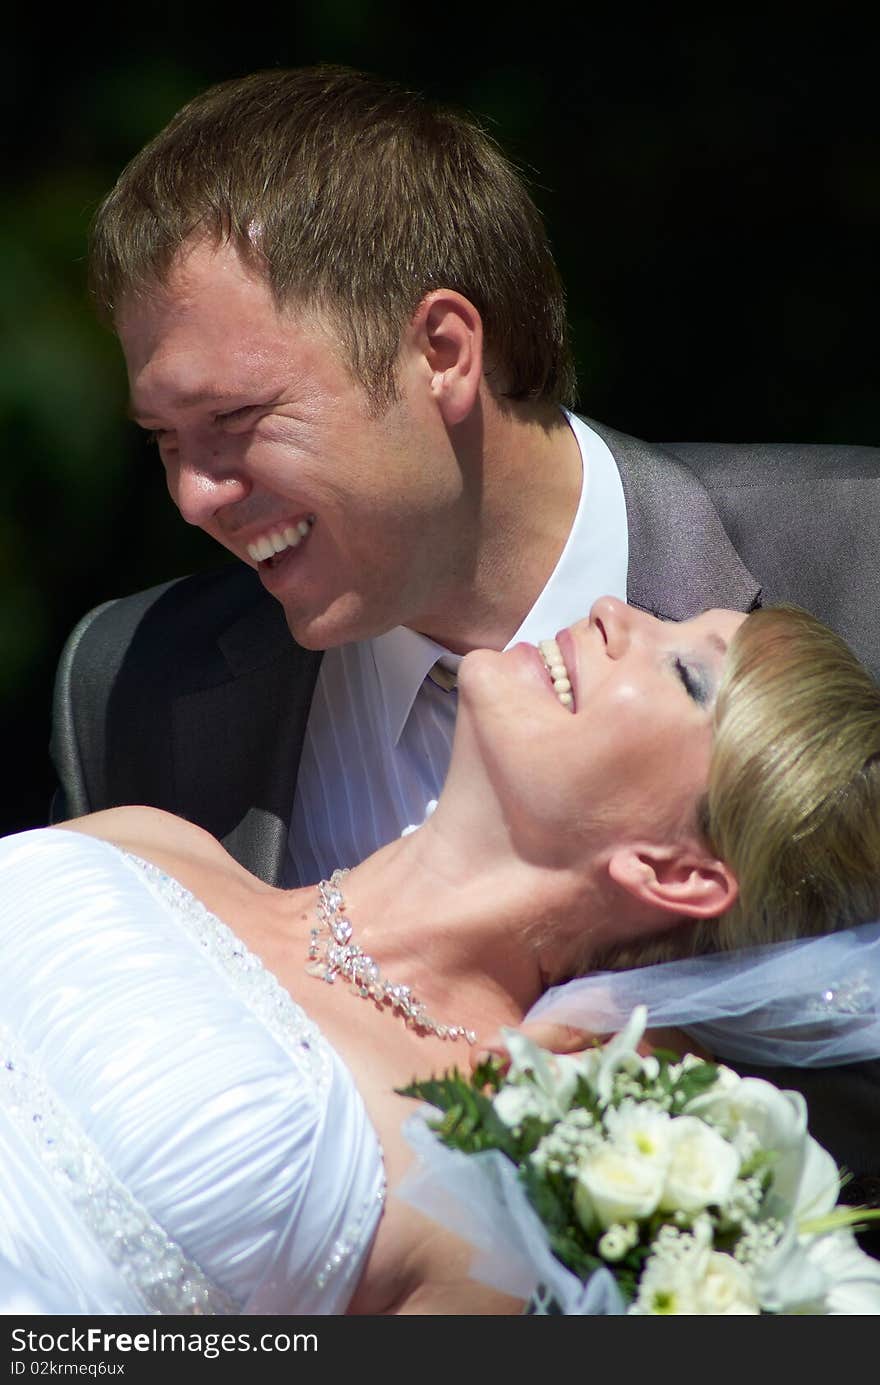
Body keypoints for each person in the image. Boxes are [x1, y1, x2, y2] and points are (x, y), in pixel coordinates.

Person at [48, 66, 880, 1224]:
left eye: (235, 421)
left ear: (441, 350)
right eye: (163, 439)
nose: (192, 495)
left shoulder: (862, 567)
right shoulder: (137, 683)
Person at [6, 599, 880, 1314]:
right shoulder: (152, 840)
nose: (618, 613)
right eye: (671, 620)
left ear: (675, 872)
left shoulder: (483, 1196)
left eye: (688, 673)